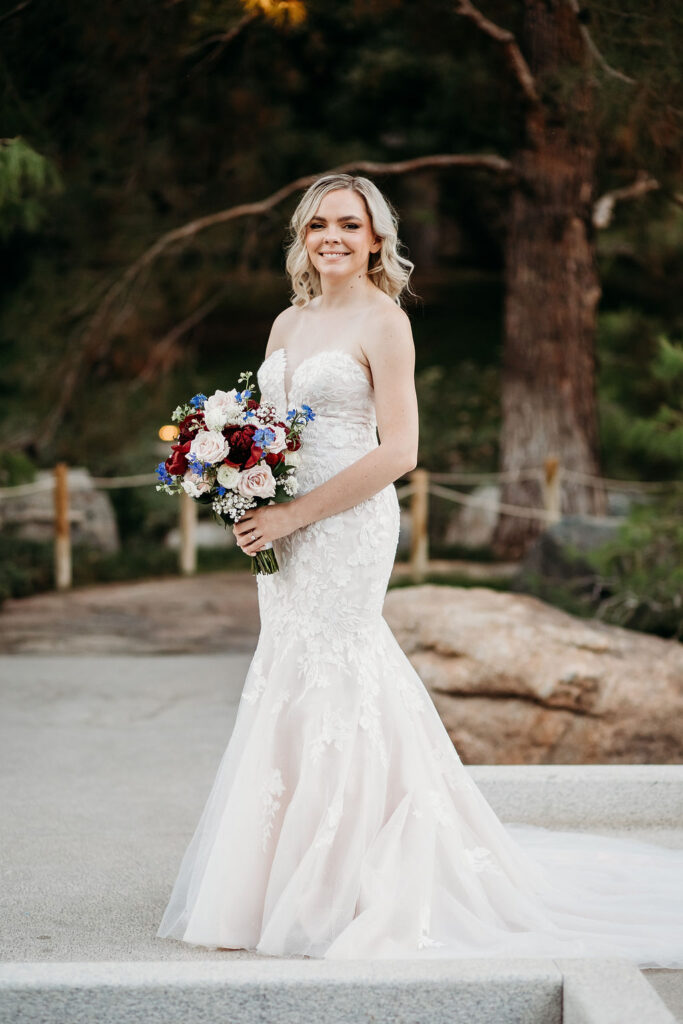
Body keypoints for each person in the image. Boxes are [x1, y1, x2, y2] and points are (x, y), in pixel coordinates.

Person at [157, 173, 683, 965]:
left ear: (375, 240)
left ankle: (352, 879)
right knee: (290, 673)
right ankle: (286, 875)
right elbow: (267, 431)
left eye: (348, 224)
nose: (331, 236)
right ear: (303, 238)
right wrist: (240, 487)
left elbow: (399, 451)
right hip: (283, 530)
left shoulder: (384, 322)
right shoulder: (286, 321)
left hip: (345, 525)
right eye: (317, 225)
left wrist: (297, 512)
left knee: (341, 671)